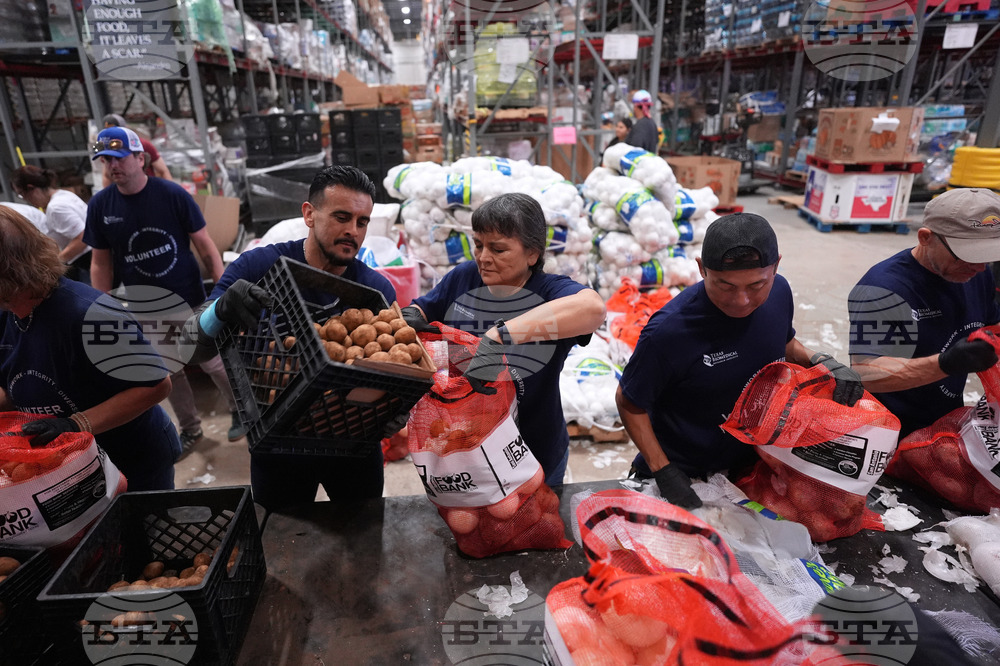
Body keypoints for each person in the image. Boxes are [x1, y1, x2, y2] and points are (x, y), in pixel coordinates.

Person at [183, 165, 397, 509]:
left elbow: (394, 376)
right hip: (277, 444)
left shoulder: (375, 290)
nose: (352, 231)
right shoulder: (258, 267)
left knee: (362, 531)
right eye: (341, 217)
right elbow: (188, 349)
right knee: (279, 534)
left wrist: (395, 409)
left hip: (353, 445)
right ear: (309, 214)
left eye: (362, 221)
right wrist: (219, 310)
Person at [616, 213, 863, 508]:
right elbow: (629, 402)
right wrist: (664, 471)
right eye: (725, 286)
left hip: (748, 466)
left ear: (776, 267)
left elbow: (783, 341)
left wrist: (821, 361)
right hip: (682, 473)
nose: (741, 300)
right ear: (701, 269)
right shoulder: (669, 332)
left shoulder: (780, 293)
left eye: (756, 285)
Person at [402, 193, 606, 487]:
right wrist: (409, 317)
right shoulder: (464, 278)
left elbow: (593, 308)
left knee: (535, 515)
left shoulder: (549, 292)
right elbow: (424, 308)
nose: (483, 258)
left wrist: (499, 337)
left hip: (532, 453)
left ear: (532, 254)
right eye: (478, 245)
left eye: (498, 249)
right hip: (464, 451)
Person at [85, 125, 243, 454]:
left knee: (213, 362)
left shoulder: (172, 195)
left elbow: (205, 245)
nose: (112, 166)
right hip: (144, 306)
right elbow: (100, 262)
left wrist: (222, 289)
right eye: (106, 160)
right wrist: (102, 304)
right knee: (169, 371)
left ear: (140, 158)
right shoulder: (101, 206)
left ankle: (241, 411)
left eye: (119, 158)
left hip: (190, 299)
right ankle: (190, 428)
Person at [0, 206, 178, 490]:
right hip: (69, 463)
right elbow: (10, 385)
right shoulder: (7, 313)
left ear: (9, 272)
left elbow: (156, 385)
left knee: (138, 517)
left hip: (130, 458)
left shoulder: (88, 315)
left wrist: (76, 424)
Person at [849, 188, 1000, 438]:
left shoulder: (976, 273)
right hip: (887, 428)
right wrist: (945, 364)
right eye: (967, 256)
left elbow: (993, 326)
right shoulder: (884, 289)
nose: (980, 267)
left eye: (987, 256)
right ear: (925, 237)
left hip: (946, 421)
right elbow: (867, 373)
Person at [10, 165, 91, 283]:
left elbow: (82, 238)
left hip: (86, 261)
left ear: (31, 188)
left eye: (21, 194)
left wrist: (56, 263)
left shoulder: (56, 207)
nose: (25, 200)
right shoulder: (63, 195)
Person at [101, 113, 172, 185]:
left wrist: (170, 190)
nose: (114, 164)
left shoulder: (141, 145)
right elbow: (106, 175)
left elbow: (163, 171)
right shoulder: (107, 149)